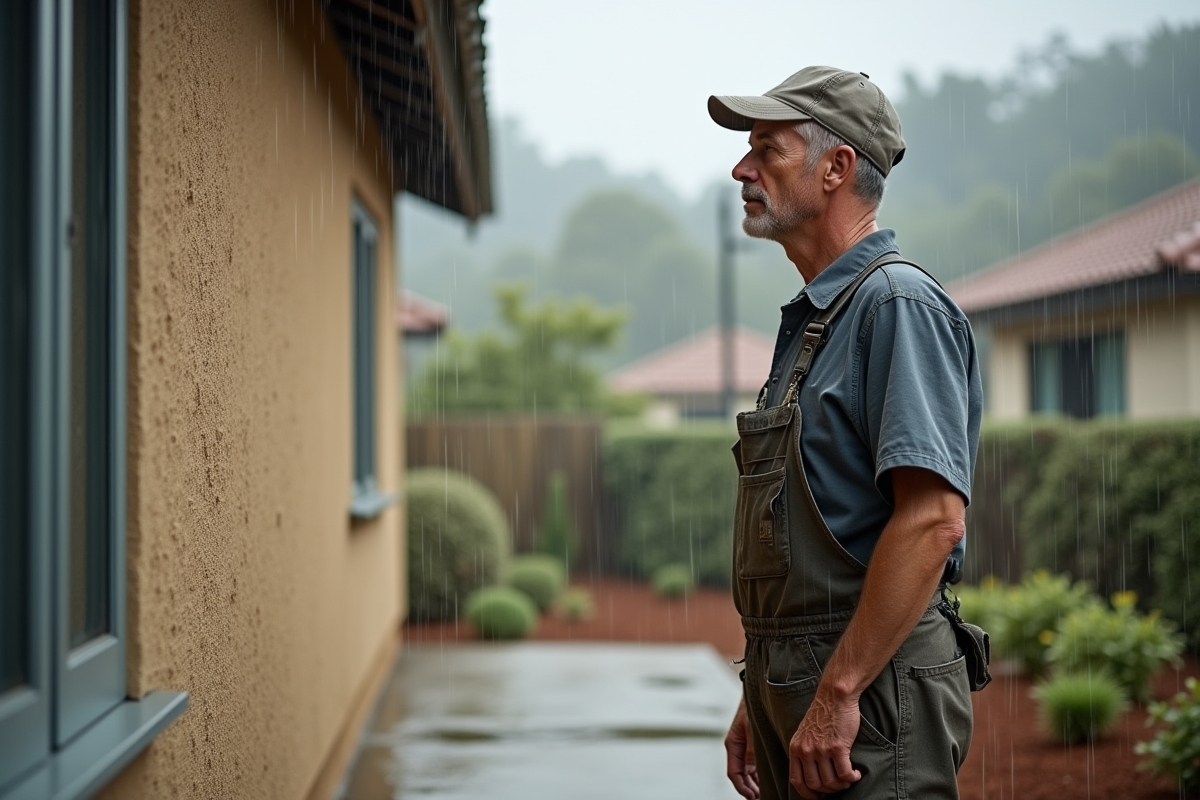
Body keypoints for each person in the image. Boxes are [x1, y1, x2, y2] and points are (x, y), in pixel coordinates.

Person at [710, 66, 983, 799]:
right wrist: (763, 685)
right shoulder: (817, 322)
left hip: (872, 696)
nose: (741, 168)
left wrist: (834, 694)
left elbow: (931, 522)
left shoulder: (896, 306)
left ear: (836, 168)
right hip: (806, 682)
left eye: (767, 149)